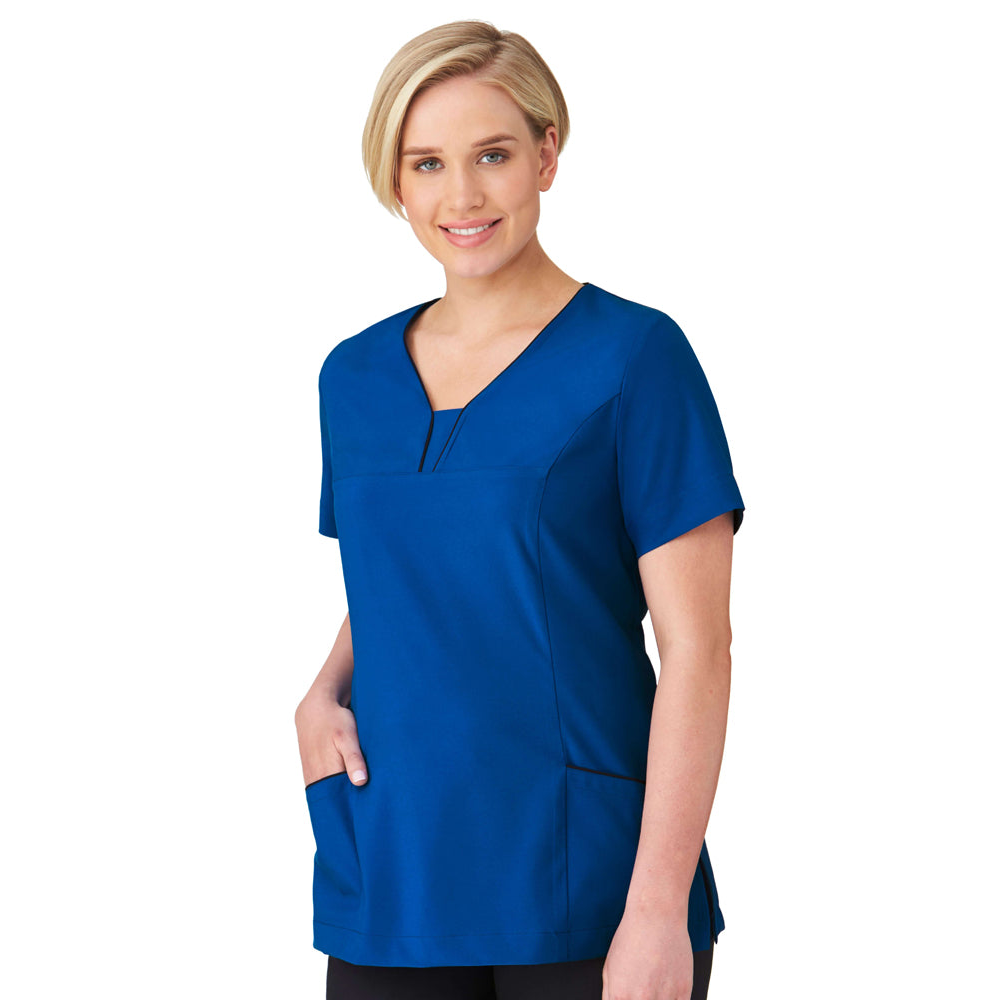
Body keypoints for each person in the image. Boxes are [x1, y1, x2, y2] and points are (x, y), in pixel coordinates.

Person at [294, 19, 744, 1000]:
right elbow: (404, 573)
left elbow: (699, 650)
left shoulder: (635, 359)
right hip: (396, 869)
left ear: (547, 154)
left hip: (583, 877)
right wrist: (323, 690)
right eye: (427, 163)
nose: (460, 196)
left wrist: (656, 909)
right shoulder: (353, 377)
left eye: (491, 155)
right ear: (395, 179)